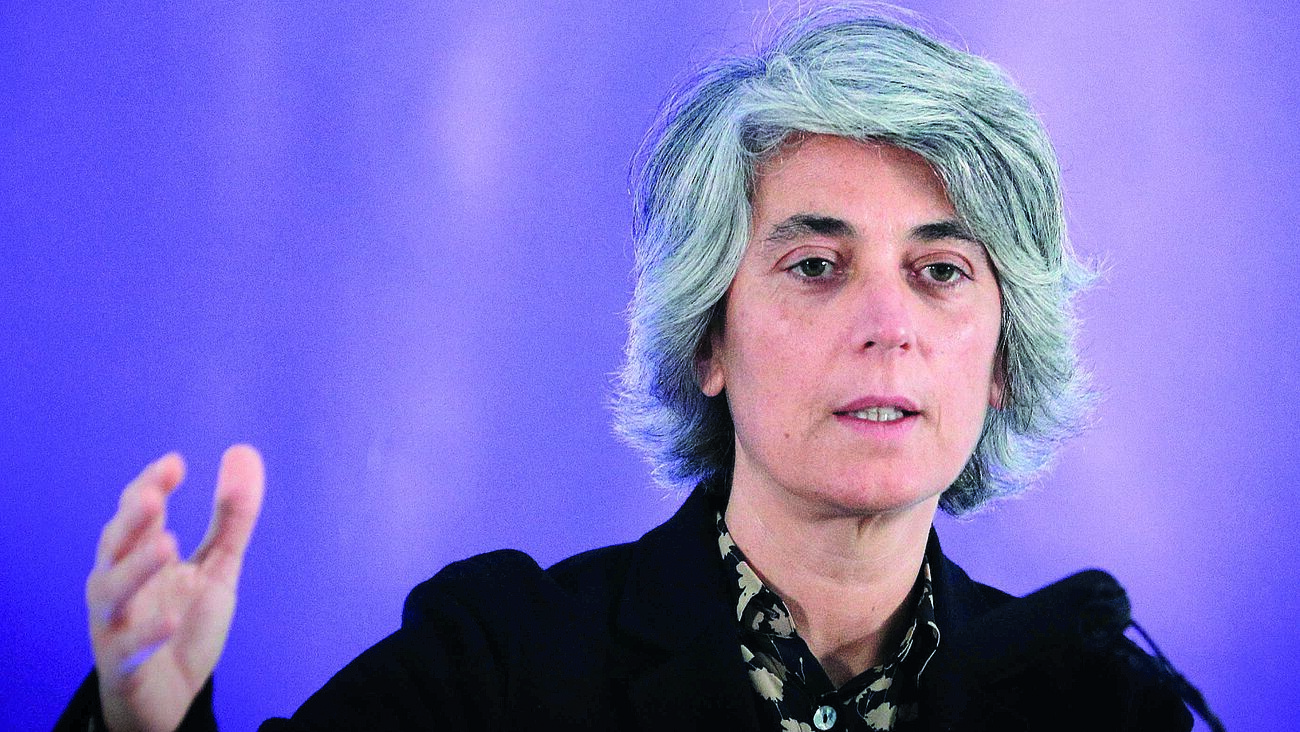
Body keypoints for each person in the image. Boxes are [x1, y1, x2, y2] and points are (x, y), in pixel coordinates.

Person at [58, 5, 1199, 731]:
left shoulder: (1097, 701)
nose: (887, 325)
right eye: (814, 265)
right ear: (707, 337)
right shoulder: (498, 665)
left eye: (941, 271)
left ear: (1002, 357)